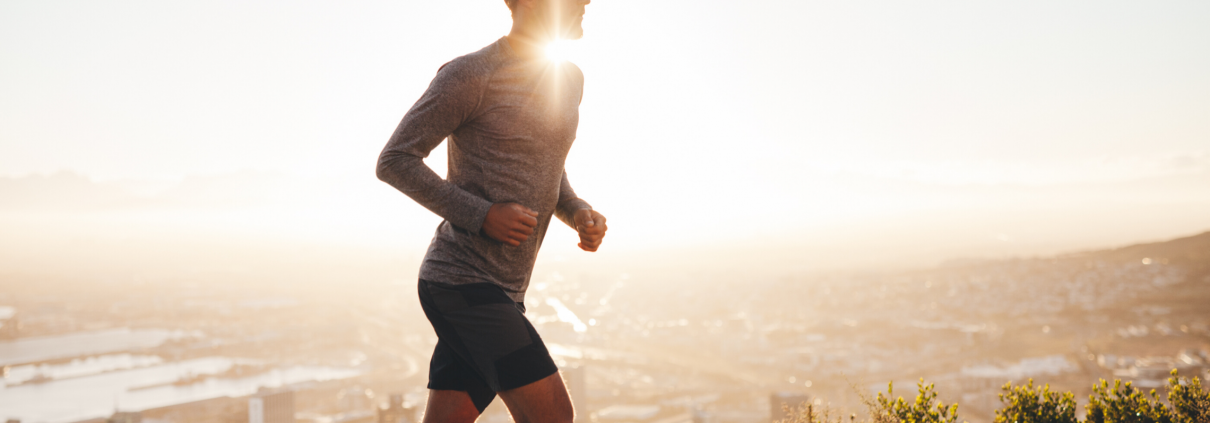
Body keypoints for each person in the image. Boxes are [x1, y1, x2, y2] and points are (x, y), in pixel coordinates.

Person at [375, 0, 602, 422]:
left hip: (506, 290)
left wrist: (577, 209)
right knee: (553, 416)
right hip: (461, 282)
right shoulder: (470, 74)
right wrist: (483, 214)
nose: (588, 1)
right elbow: (394, 160)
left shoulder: (568, 79)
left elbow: (547, 163)